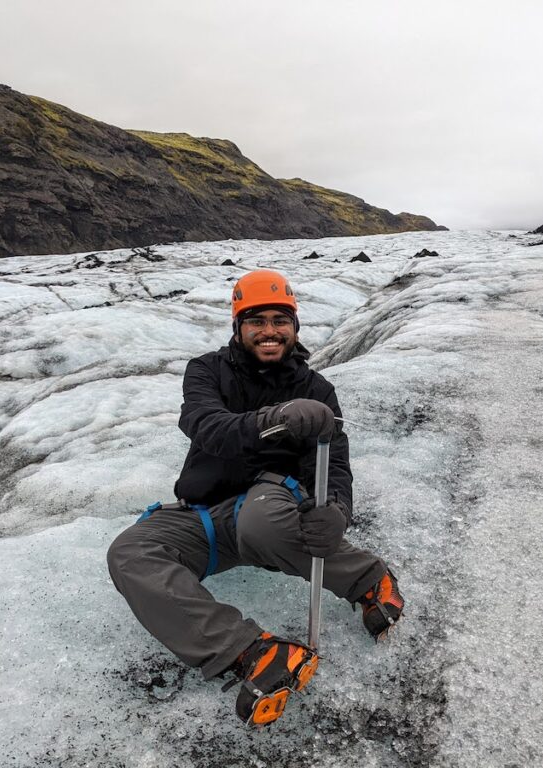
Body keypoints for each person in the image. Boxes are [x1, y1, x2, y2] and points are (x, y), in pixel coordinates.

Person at [107, 269, 404, 727]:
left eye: (280, 320)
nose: (269, 331)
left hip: (267, 507)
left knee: (262, 520)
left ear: (295, 327)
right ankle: (252, 653)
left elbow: (334, 462)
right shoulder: (207, 370)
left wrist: (338, 510)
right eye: (256, 320)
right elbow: (204, 425)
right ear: (238, 326)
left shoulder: (317, 389)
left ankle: (367, 579)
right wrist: (276, 419)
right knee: (130, 553)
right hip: (203, 515)